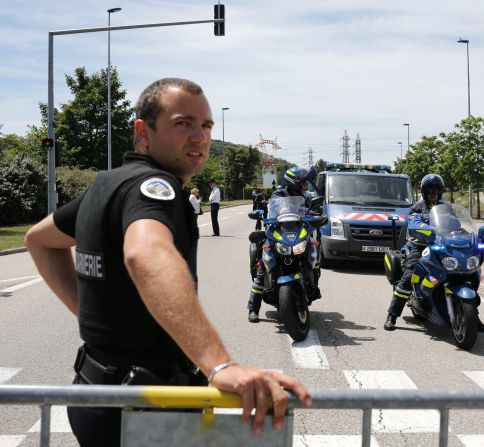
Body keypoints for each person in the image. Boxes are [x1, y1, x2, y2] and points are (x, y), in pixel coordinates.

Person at [24, 78, 311, 447]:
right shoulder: (154, 189)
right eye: (183, 123)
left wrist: (89, 313)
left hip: (98, 393)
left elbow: (40, 241)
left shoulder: (107, 184)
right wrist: (220, 365)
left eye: (206, 126)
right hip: (143, 411)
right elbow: (146, 253)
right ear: (144, 131)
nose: (200, 136)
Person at [383, 174, 484, 332]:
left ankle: (473, 316)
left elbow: (456, 225)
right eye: (430, 190)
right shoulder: (417, 208)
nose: (433, 193)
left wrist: (466, 234)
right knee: (409, 275)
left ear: (440, 192)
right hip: (419, 246)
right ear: (424, 192)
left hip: (442, 246)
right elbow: (414, 225)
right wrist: (428, 230)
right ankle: (392, 315)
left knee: (469, 272)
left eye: (436, 190)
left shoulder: (446, 208)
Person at [247, 167, 319, 323]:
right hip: (279, 233)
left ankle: (312, 286)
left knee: (313, 252)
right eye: (303, 182)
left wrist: (315, 216)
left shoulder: (304, 197)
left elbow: (309, 212)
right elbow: (273, 211)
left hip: (297, 233)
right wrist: (265, 217)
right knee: (264, 268)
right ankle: (253, 308)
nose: (305, 185)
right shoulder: (278, 195)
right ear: (293, 183)